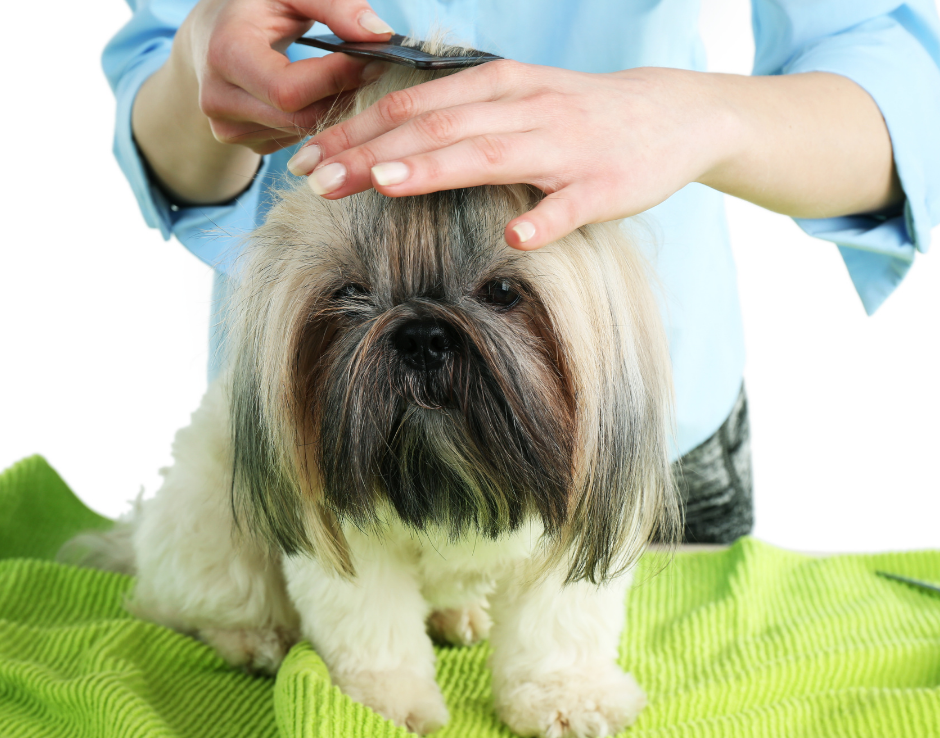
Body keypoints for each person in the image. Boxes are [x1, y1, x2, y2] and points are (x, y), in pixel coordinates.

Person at [105, 0, 940, 542]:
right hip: (320, 439)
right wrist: (197, 69)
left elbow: (902, 88)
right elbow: (172, 136)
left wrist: (698, 114)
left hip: (625, 442)